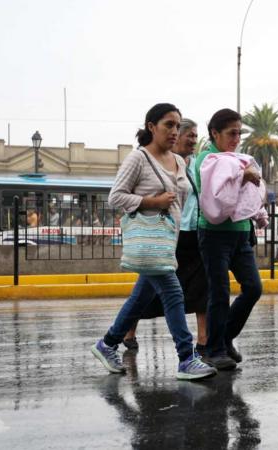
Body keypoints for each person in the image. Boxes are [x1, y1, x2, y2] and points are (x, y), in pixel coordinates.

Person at [91, 103, 216, 381]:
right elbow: (116, 197)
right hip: (148, 241)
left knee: (140, 298)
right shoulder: (138, 158)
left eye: (177, 125)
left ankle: (107, 343)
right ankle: (186, 358)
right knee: (173, 293)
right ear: (151, 127)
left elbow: (182, 198)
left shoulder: (180, 161)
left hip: (167, 240)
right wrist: (151, 202)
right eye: (168, 125)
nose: (174, 131)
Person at [122, 119, 209, 353]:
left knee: (201, 287)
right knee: (151, 291)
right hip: (166, 236)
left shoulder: (191, 164)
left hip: (193, 231)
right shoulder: (152, 161)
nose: (193, 140)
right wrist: (153, 202)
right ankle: (121, 335)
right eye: (189, 135)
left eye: (195, 136)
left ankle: (202, 340)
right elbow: (119, 196)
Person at [194, 108, 262, 371]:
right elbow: (213, 194)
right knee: (219, 291)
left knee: (253, 288)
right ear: (215, 133)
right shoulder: (206, 159)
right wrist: (241, 176)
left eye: (239, 133)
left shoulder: (239, 158)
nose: (236, 138)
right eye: (231, 133)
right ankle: (214, 350)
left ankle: (224, 338)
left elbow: (250, 193)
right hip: (213, 234)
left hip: (240, 232)